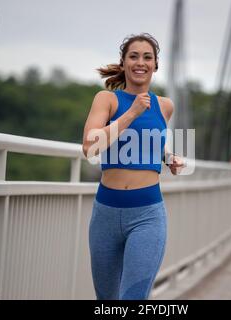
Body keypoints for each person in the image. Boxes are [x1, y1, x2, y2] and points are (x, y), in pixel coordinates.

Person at [81, 32, 185, 300]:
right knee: (107, 301)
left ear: (155, 65)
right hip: (105, 213)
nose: (141, 62)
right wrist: (131, 113)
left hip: (147, 216)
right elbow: (90, 147)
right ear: (124, 62)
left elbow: (146, 139)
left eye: (147, 57)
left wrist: (167, 157)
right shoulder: (107, 100)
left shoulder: (165, 106)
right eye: (134, 56)